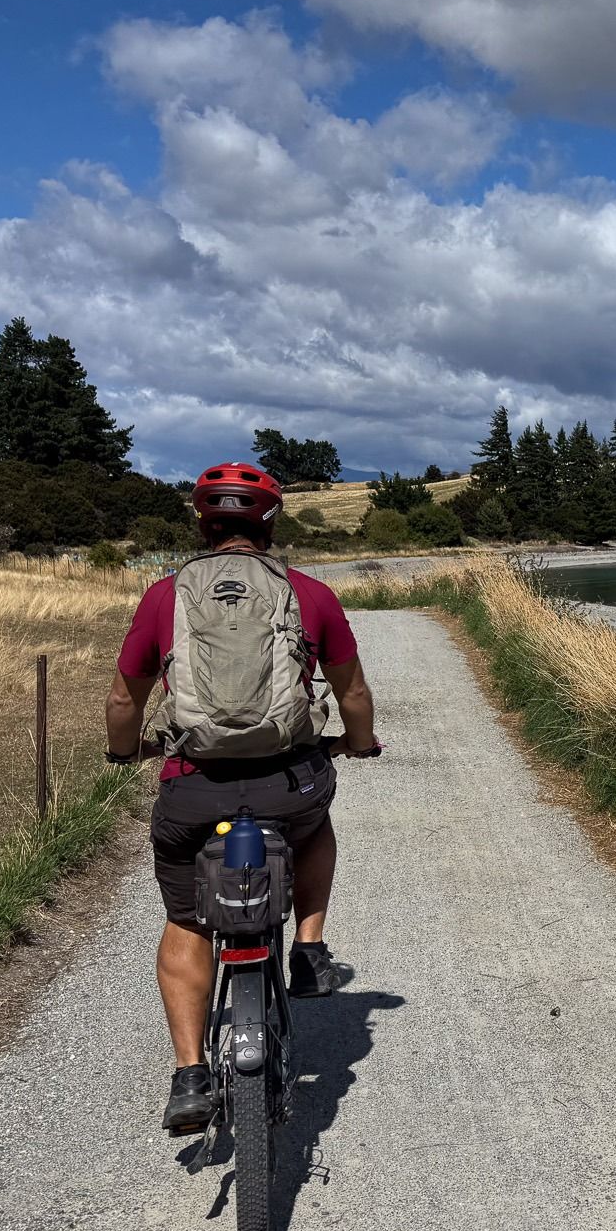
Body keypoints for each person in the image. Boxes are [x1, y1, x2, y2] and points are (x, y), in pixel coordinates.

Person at [104, 461, 382, 1132]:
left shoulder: (162, 597)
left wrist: (124, 752)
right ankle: (310, 946)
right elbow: (353, 695)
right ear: (269, 522)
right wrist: (360, 742)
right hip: (289, 785)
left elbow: (123, 700)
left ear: (203, 522)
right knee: (317, 825)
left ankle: (190, 1074)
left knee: (188, 920)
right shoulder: (310, 594)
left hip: (193, 792)